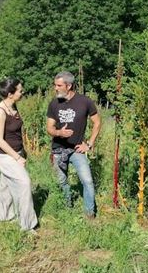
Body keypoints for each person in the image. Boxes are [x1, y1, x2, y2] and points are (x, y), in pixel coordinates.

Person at [46, 71, 101, 219]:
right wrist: (59, 133)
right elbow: (49, 128)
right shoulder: (54, 104)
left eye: (59, 85)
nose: (55, 88)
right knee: (62, 181)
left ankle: (90, 213)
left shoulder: (85, 102)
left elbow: (97, 122)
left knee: (87, 181)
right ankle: (67, 206)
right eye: (55, 85)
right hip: (58, 150)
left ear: (68, 86)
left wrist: (89, 144)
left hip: (77, 149)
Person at [0, 78, 38, 231]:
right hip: (5, 155)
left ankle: (4, 215)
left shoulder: (13, 106)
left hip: (17, 152)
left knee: (6, 184)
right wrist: (17, 157)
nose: (23, 91)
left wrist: (22, 151)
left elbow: (16, 132)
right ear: (10, 94)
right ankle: (27, 225)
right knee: (24, 183)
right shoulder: (0, 111)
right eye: (20, 90)